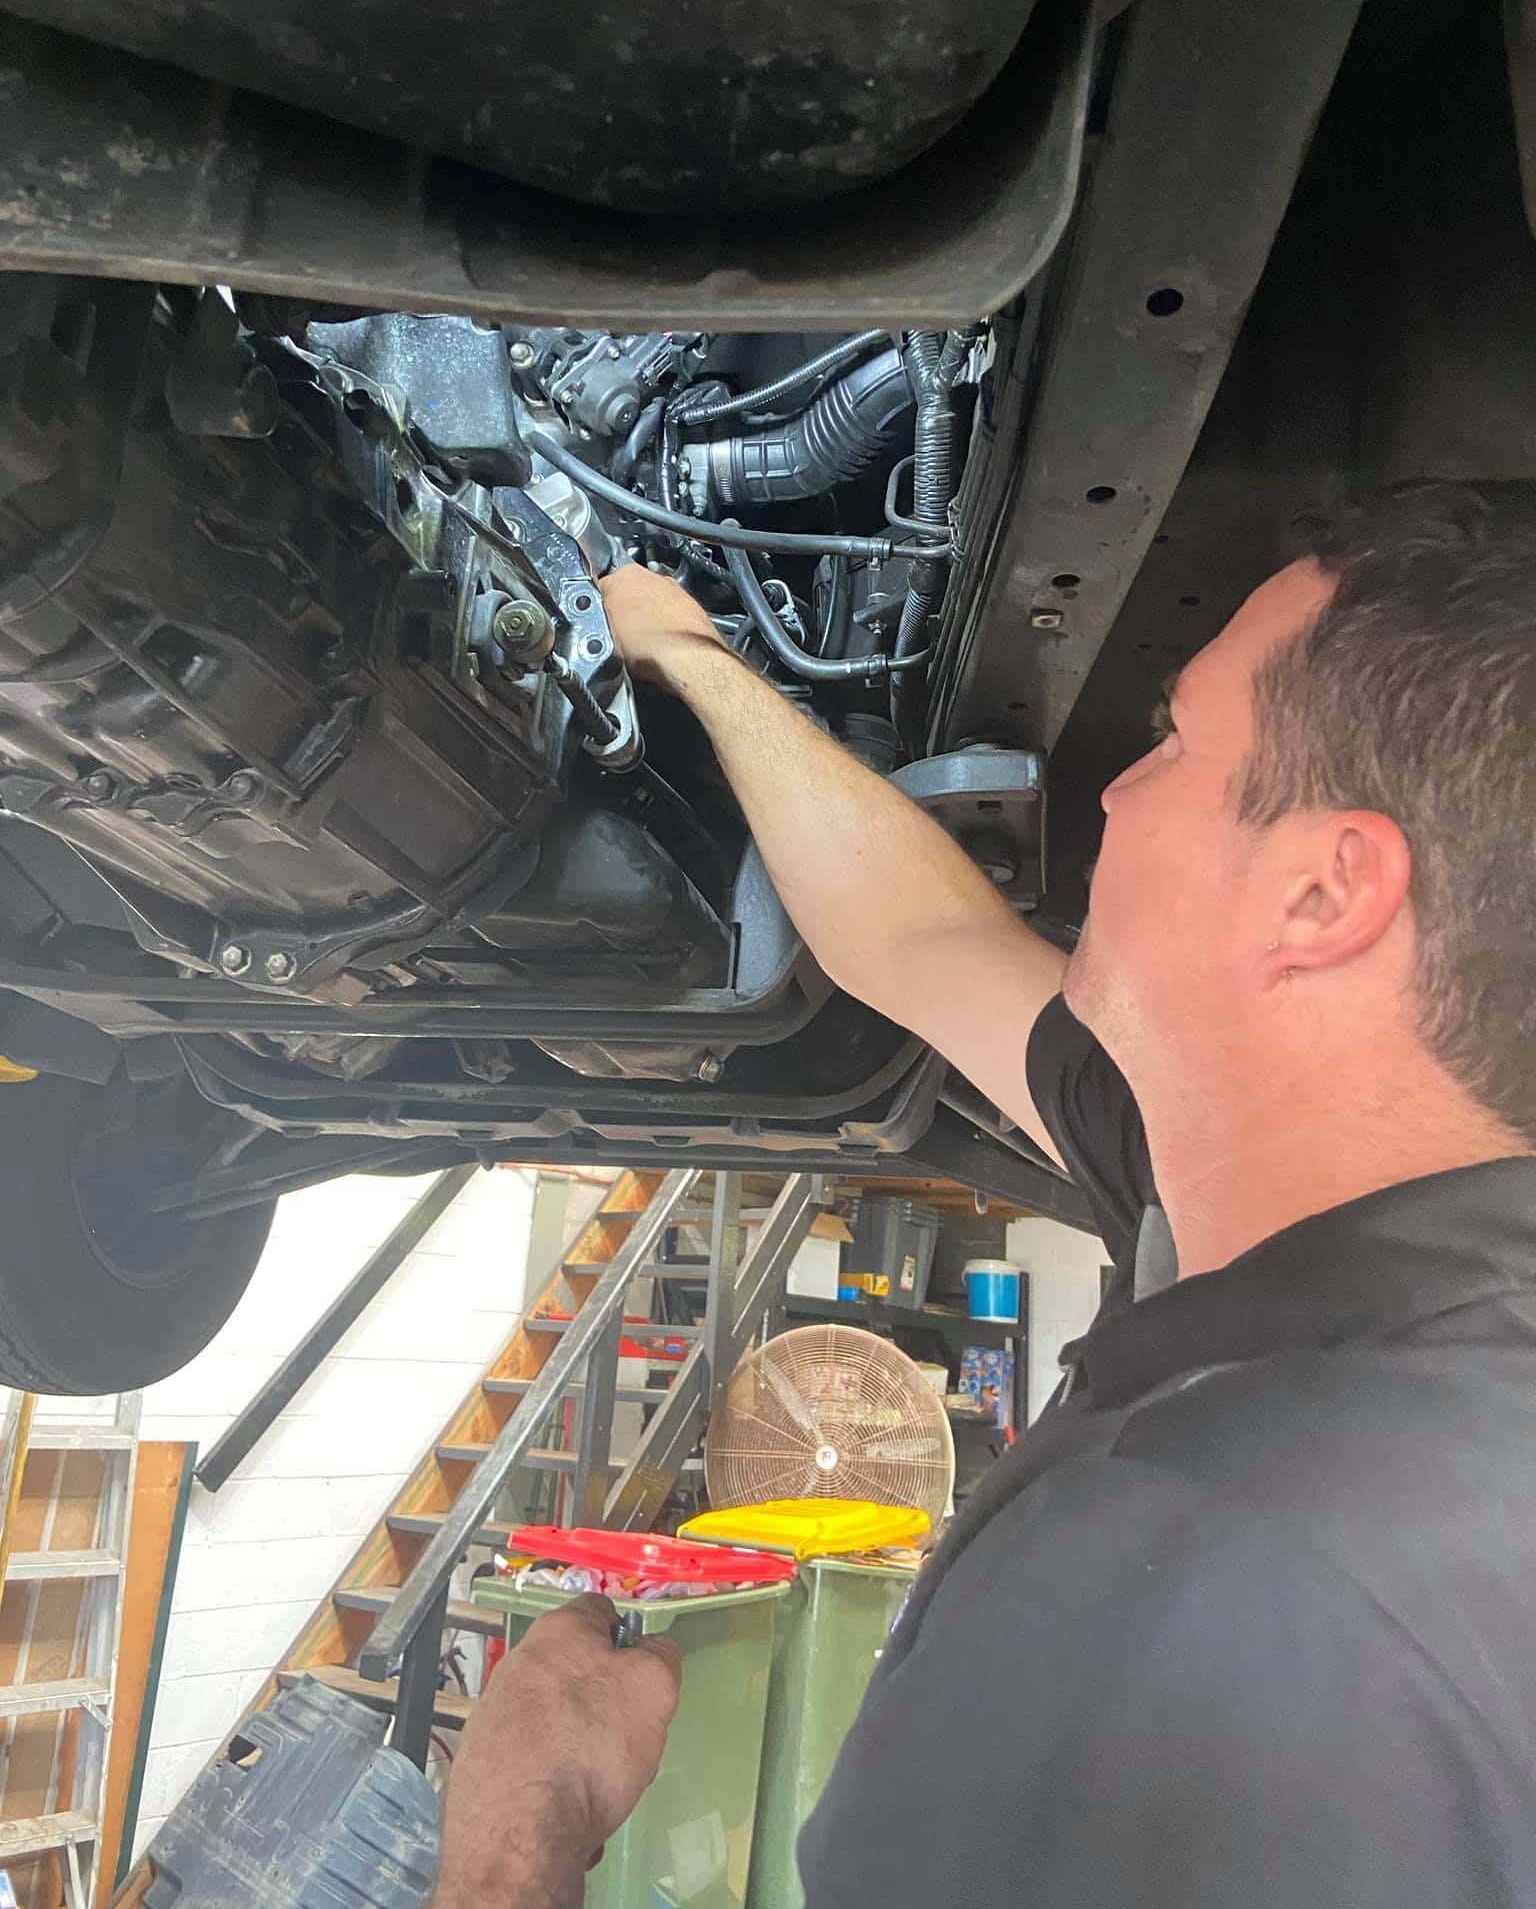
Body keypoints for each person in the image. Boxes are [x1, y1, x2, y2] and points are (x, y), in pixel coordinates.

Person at [434, 483, 1536, 1909]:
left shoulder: (1219, 1589)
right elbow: (922, 935)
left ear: (1326, 896)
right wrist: (695, 657)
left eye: (1175, 742)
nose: (1119, 791)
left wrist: (525, 1830)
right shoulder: (1285, 1244)